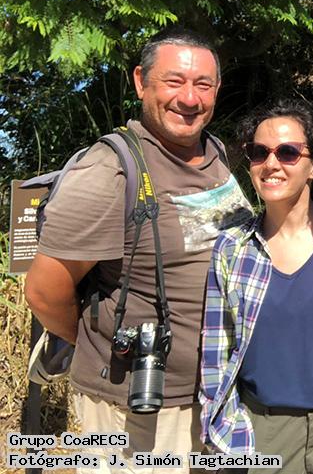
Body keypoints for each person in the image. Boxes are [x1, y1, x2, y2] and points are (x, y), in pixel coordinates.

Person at [25, 28, 253, 473]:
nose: (189, 98)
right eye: (174, 81)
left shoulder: (215, 153)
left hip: (215, 397)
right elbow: (44, 292)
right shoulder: (108, 170)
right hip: (138, 409)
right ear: (140, 82)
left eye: (203, 84)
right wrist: (100, 345)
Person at [199, 98, 313, 473]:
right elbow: (216, 351)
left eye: (288, 152)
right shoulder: (233, 249)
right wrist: (225, 433)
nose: (271, 164)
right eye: (259, 152)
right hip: (263, 431)